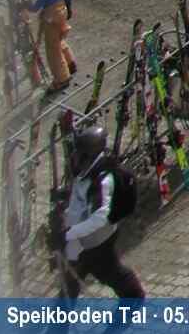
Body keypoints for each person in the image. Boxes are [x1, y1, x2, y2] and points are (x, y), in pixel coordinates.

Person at [56, 124, 145, 299]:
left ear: (89, 155)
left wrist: (68, 234)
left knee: (111, 274)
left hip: (97, 241)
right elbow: (82, 197)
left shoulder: (103, 180)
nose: (75, 158)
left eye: (79, 154)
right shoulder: (88, 171)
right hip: (82, 241)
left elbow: (99, 218)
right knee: (71, 282)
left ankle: (134, 298)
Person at [25, 0, 75, 92]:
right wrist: (69, 8)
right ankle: (71, 63)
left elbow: (38, 5)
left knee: (53, 49)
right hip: (62, 9)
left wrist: (28, 5)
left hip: (51, 16)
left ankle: (62, 78)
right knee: (60, 39)